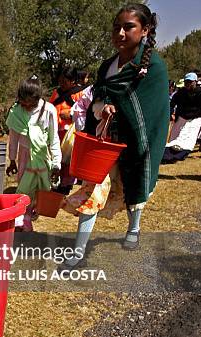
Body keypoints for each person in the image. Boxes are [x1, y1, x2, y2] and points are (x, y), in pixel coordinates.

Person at [61, 3, 170, 270]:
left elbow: (150, 109)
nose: (120, 32)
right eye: (116, 27)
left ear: (144, 30)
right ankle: (78, 252)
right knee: (92, 187)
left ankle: (134, 227)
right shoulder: (107, 65)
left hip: (138, 140)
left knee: (134, 183)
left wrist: (119, 109)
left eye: (128, 26)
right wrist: (100, 107)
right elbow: (98, 96)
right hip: (105, 139)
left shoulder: (154, 66)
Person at [5, 76, 61, 232]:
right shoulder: (16, 111)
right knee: (23, 190)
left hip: (42, 157)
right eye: (24, 103)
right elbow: (14, 138)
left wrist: (56, 163)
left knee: (39, 191)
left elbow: (53, 137)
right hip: (24, 157)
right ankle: (23, 220)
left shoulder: (48, 110)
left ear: (38, 98)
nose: (27, 106)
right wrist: (12, 160)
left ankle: (28, 216)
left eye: (31, 103)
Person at [50, 67, 86, 194]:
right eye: (60, 81)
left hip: (70, 133)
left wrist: (71, 116)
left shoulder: (80, 93)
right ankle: (55, 181)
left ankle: (66, 186)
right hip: (56, 130)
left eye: (65, 81)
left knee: (68, 160)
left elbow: (84, 112)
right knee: (56, 157)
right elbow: (50, 106)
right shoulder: (57, 92)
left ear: (73, 81)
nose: (62, 84)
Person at [163, 72, 201, 162]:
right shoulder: (181, 92)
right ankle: (168, 156)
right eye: (186, 82)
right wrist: (171, 112)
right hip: (181, 117)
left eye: (190, 82)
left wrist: (197, 113)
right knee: (175, 137)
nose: (188, 84)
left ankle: (178, 155)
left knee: (187, 137)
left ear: (195, 82)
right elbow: (173, 102)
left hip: (195, 119)